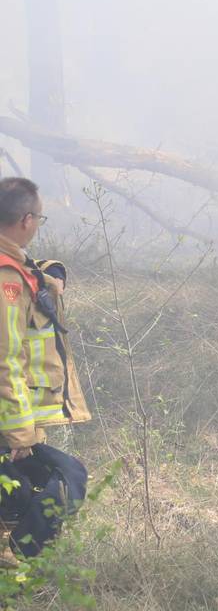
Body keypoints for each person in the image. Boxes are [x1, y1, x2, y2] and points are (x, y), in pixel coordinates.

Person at [0, 177, 91, 565]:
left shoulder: (18, 268)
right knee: (68, 477)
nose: (37, 225)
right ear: (25, 219)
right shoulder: (6, 278)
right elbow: (4, 359)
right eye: (39, 218)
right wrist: (21, 432)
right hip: (10, 419)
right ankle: (20, 561)